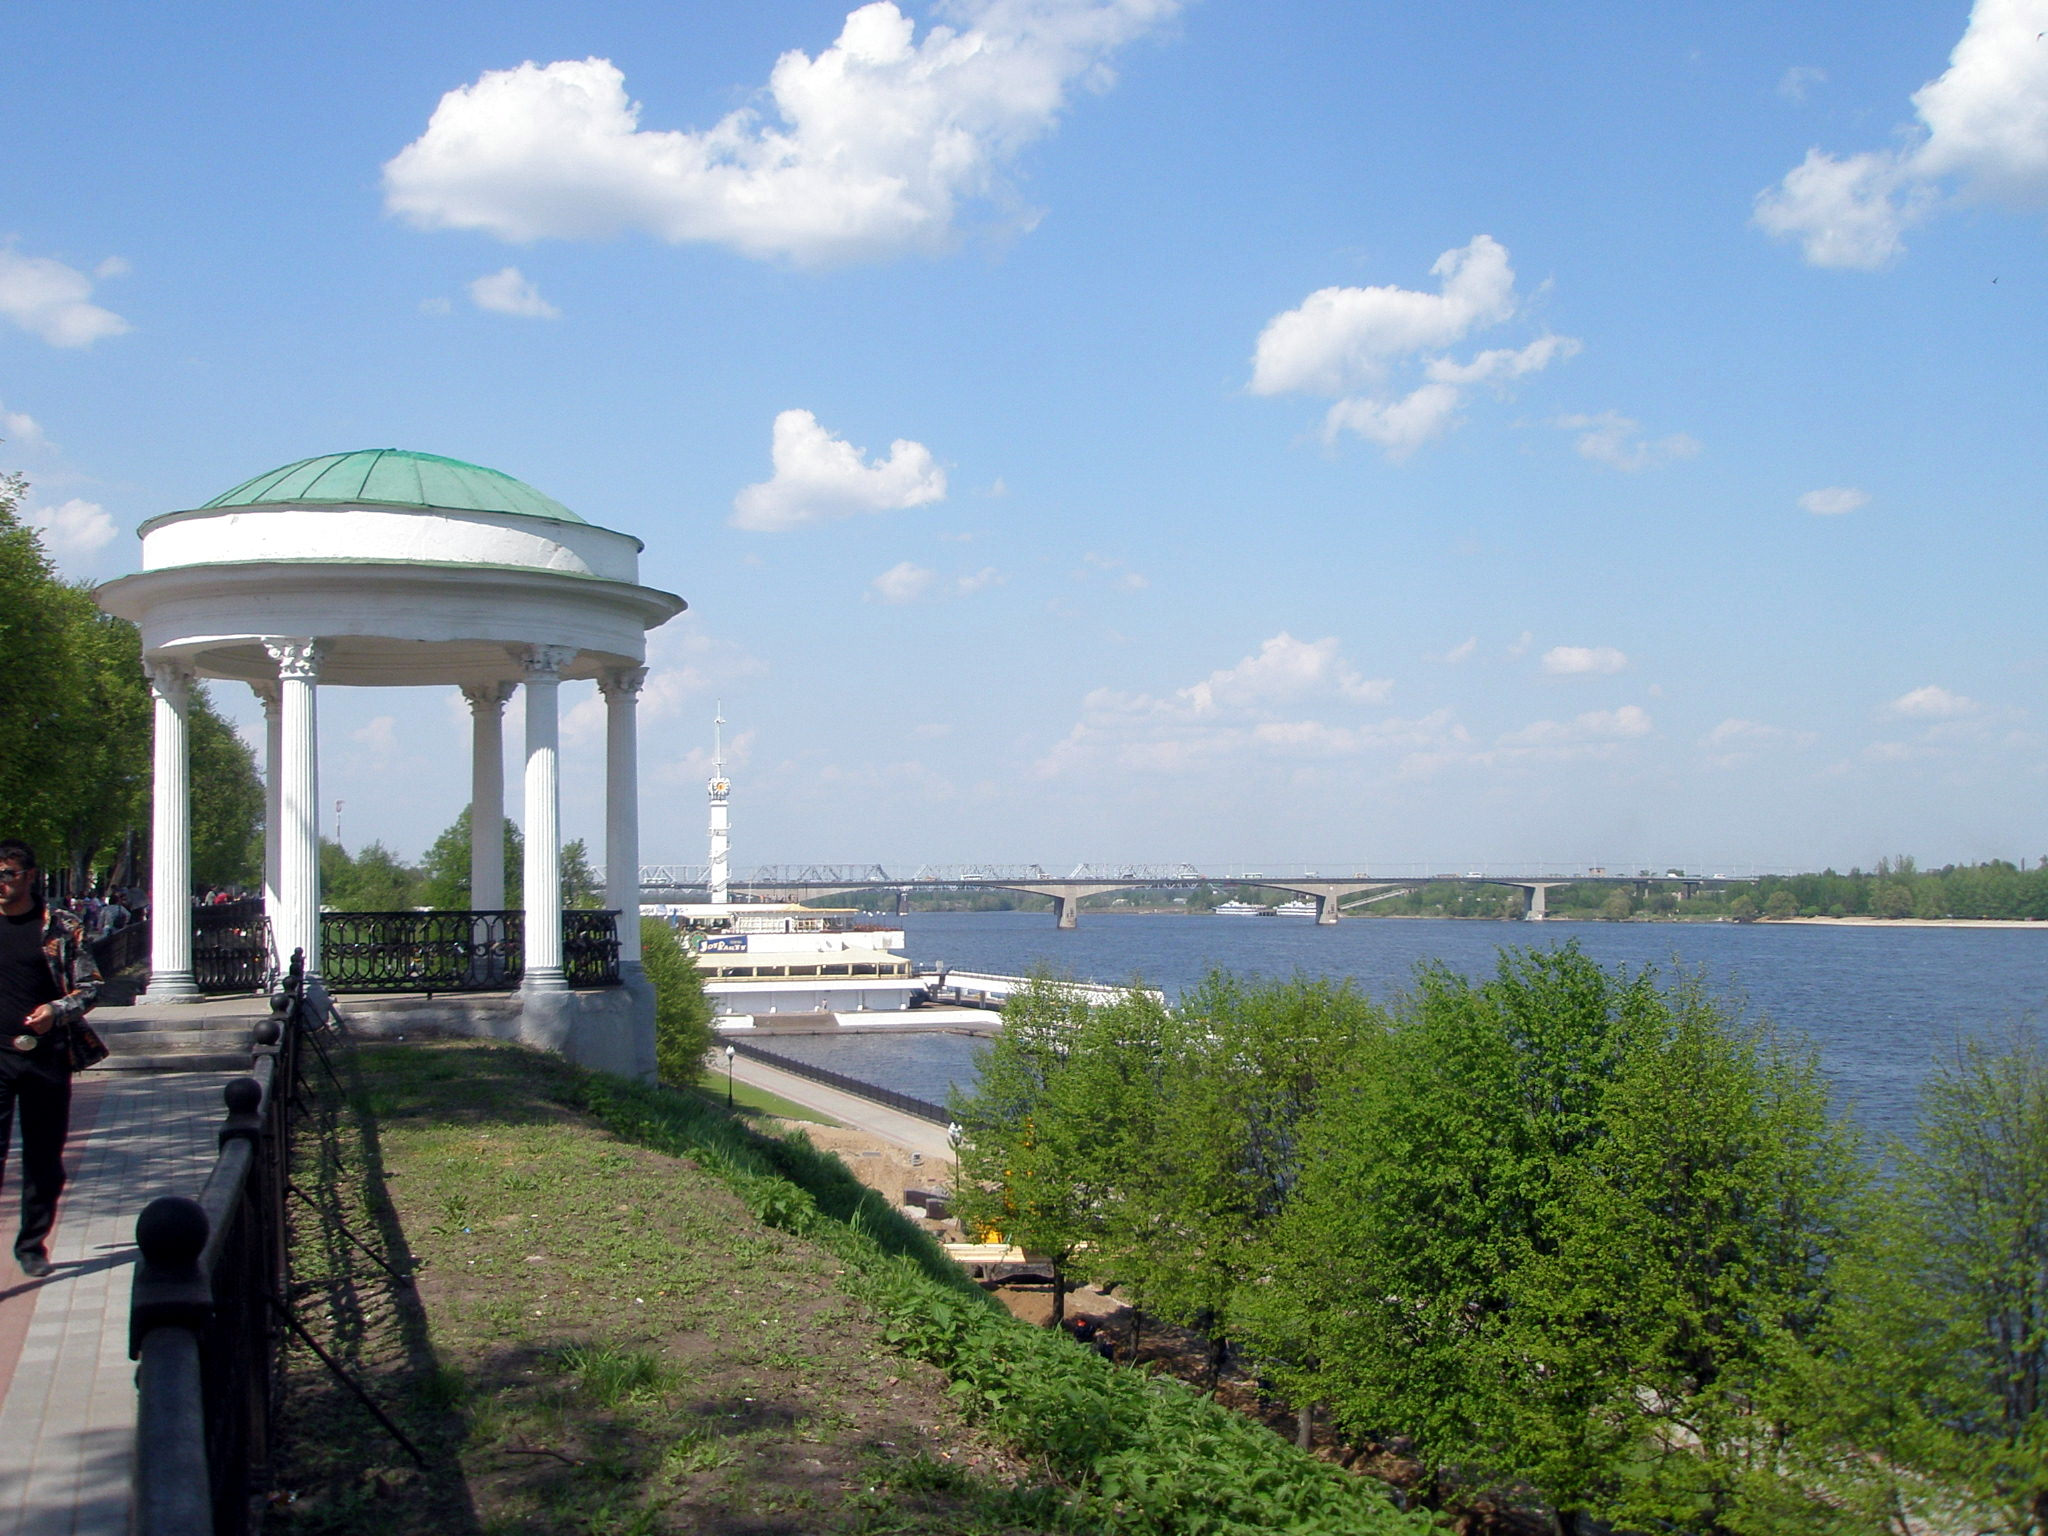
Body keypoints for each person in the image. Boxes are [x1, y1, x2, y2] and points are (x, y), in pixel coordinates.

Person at [0, 839, 100, 1279]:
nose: (1, 883)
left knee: (43, 1156)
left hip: (46, 1057)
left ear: (30, 875)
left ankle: (32, 1243)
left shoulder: (61, 927)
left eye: (8, 874)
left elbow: (91, 986)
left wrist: (56, 1011)